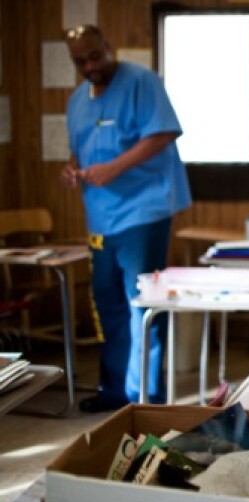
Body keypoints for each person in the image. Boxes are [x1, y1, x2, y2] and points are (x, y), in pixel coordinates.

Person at [61, 25, 192, 412]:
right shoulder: (76, 101)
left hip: (143, 211)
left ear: (108, 47)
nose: (89, 66)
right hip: (101, 218)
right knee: (109, 305)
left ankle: (145, 398)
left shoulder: (142, 83)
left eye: (94, 57)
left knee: (143, 304)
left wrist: (115, 168)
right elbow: (80, 152)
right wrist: (71, 170)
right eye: (80, 61)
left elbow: (164, 132)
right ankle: (115, 392)